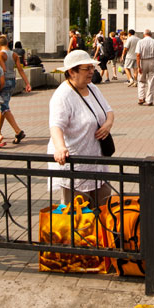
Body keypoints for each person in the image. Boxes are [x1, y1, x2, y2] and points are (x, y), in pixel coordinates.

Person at [48, 50, 115, 206]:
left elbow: (109, 111)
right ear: (72, 72)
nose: (92, 71)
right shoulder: (63, 96)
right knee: (77, 215)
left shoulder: (92, 88)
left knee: (102, 206)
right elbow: (56, 125)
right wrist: (60, 148)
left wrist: (108, 124)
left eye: (92, 67)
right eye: (87, 69)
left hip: (97, 161)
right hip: (75, 164)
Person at [0, 34, 30, 144]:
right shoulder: (14, 55)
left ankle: (18, 131)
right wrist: (27, 83)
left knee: (4, 107)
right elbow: (20, 70)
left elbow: (0, 69)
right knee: (3, 106)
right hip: (12, 81)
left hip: (3, 81)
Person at [135, 29, 154, 106]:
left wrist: (138, 67)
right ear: (151, 35)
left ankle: (141, 98)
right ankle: (149, 100)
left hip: (143, 61)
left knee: (141, 80)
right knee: (151, 81)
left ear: (144, 35)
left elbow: (138, 55)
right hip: (153, 61)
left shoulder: (140, 42)